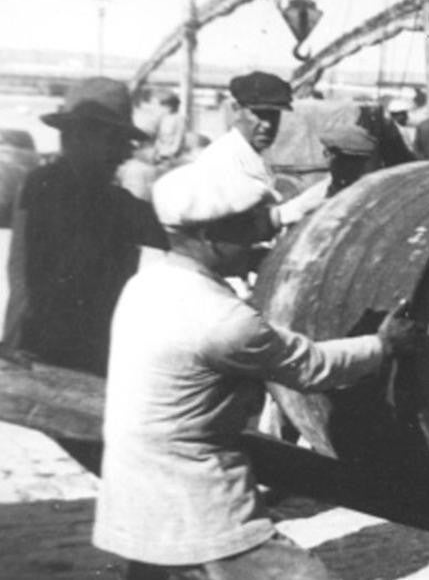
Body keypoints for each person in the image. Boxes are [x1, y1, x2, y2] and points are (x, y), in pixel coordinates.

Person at [93, 159, 424, 580]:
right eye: (248, 228)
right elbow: (311, 367)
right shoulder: (222, 321)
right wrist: (383, 344)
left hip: (136, 494)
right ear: (210, 237)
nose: (262, 237)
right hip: (197, 501)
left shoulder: (147, 285)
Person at [2, 77, 167, 378]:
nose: (124, 153)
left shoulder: (83, 191)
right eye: (115, 140)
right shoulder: (48, 187)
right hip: (49, 357)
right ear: (78, 137)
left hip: (46, 351)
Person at [194, 71, 321, 229]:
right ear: (236, 110)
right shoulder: (224, 159)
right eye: (258, 114)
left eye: (273, 115)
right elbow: (231, 230)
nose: (267, 124)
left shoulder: (252, 153)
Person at [152, 91, 188, 164]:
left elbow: (179, 139)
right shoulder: (162, 118)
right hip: (160, 152)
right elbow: (158, 137)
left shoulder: (179, 119)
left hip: (172, 155)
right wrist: (156, 152)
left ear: (174, 106)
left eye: (169, 105)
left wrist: (170, 154)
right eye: (164, 105)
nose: (166, 108)